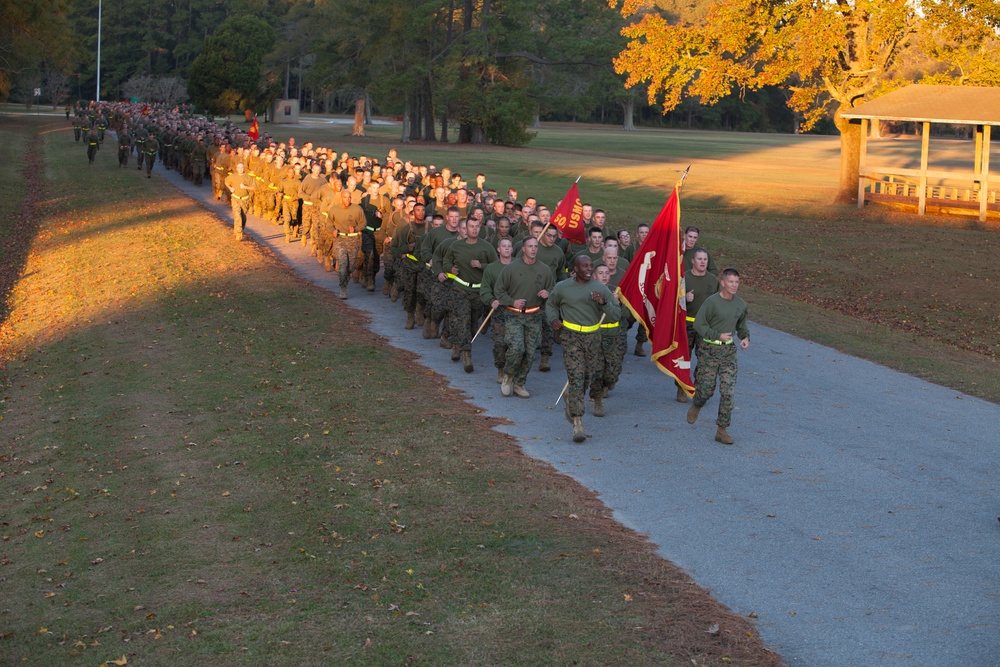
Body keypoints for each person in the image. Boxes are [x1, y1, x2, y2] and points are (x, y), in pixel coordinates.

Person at [546, 256, 620, 443]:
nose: (588, 269)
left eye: (590, 266)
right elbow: (551, 305)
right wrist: (553, 319)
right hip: (571, 337)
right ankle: (577, 422)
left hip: (593, 338)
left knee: (587, 377)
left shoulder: (600, 288)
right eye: (584, 266)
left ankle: (571, 398)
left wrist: (603, 303)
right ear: (575, 269)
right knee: (577, 377)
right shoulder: (563, 287)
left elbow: (616, 314)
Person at [687, 268, 749, 445]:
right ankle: (697, 403)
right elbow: (699, 324)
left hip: (728, 352)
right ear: (723, 283)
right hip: (709, 350)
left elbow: (741, 324)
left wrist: (745, 337)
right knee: (706, 389)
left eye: (736, 282)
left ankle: (722, 430)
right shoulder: (712, 302)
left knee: (728, 391)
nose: (734, 285)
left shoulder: (740, 304)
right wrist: (717, 336)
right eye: (730, 282)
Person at [494, 236, 554, 398]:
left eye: (535, 246)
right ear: (523, 249)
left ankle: (520, 383)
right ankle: (508, 376)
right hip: (514, 314)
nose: (533, 249)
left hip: (534, 315)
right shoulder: (511, 268)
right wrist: (512, 301)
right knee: (516, 348)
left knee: (530, 352)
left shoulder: (544, 269)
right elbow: (499, 291)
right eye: (530, 246)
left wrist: (548, 292)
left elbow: (553, 288)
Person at [443, 217, 498, 372]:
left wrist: (481, 265)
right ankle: (466, 354)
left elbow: (496, 266)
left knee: (473, 323)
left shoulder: (486, 247)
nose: (474, 229)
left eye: (476, 226)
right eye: (471, 226)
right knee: (463, 319)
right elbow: (446, 261)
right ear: (465, 229)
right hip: (460, 288)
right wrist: (450, 269)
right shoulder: (456, 246)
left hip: (478, 291)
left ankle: (457, 343)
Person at [676, 248, 720, 403]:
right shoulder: (684, 278)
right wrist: (684, 298)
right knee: (684, 357)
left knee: (705, 359)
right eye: (699, 259)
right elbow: (672, 302)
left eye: (705, 259)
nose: (702, 262)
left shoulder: (713, 280)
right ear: (693, 261)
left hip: (705, 326)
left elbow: (720, 301)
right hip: (686, 323)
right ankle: (681, 387)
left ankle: (695, 386)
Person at [480, 238, 515, 383]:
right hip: (499, 311)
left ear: (512, 249)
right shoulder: (491, 268)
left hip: (516, 311)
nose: (506, 248)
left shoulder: (519, 266)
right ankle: (501, 369)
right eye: (503, 246)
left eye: (509, 246)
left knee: (515, 345)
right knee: (500, 343)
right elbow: (485, 289)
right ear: (498, 249)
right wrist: (491, 300)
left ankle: (511, 371)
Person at [326, 189, 365, 299]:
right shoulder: (334, 210)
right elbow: (328, 224)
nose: (347, 199)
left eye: (349, 197)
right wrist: (332, 231)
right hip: (340, 238)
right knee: (343, 263)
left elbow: (363, 223)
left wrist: (356, 229)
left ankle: (347, 275)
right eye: (345, 197)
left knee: (351, 266)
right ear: (341, 198)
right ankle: (343, 288)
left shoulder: (357, 209)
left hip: (353, 239)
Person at [225, 161, 256, 240]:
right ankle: (238, 234)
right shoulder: (232, 176)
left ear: (244, 168)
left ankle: (240, 229)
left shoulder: (248, 177)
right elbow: (226, 181)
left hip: (245, 200)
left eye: (242, 167)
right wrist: (230, 188)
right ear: (236, 168)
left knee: (243, 218)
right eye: (239, 168)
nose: (240, 169)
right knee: (237, 216)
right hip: (235, 198)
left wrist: (245, 187)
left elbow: (254, 188)